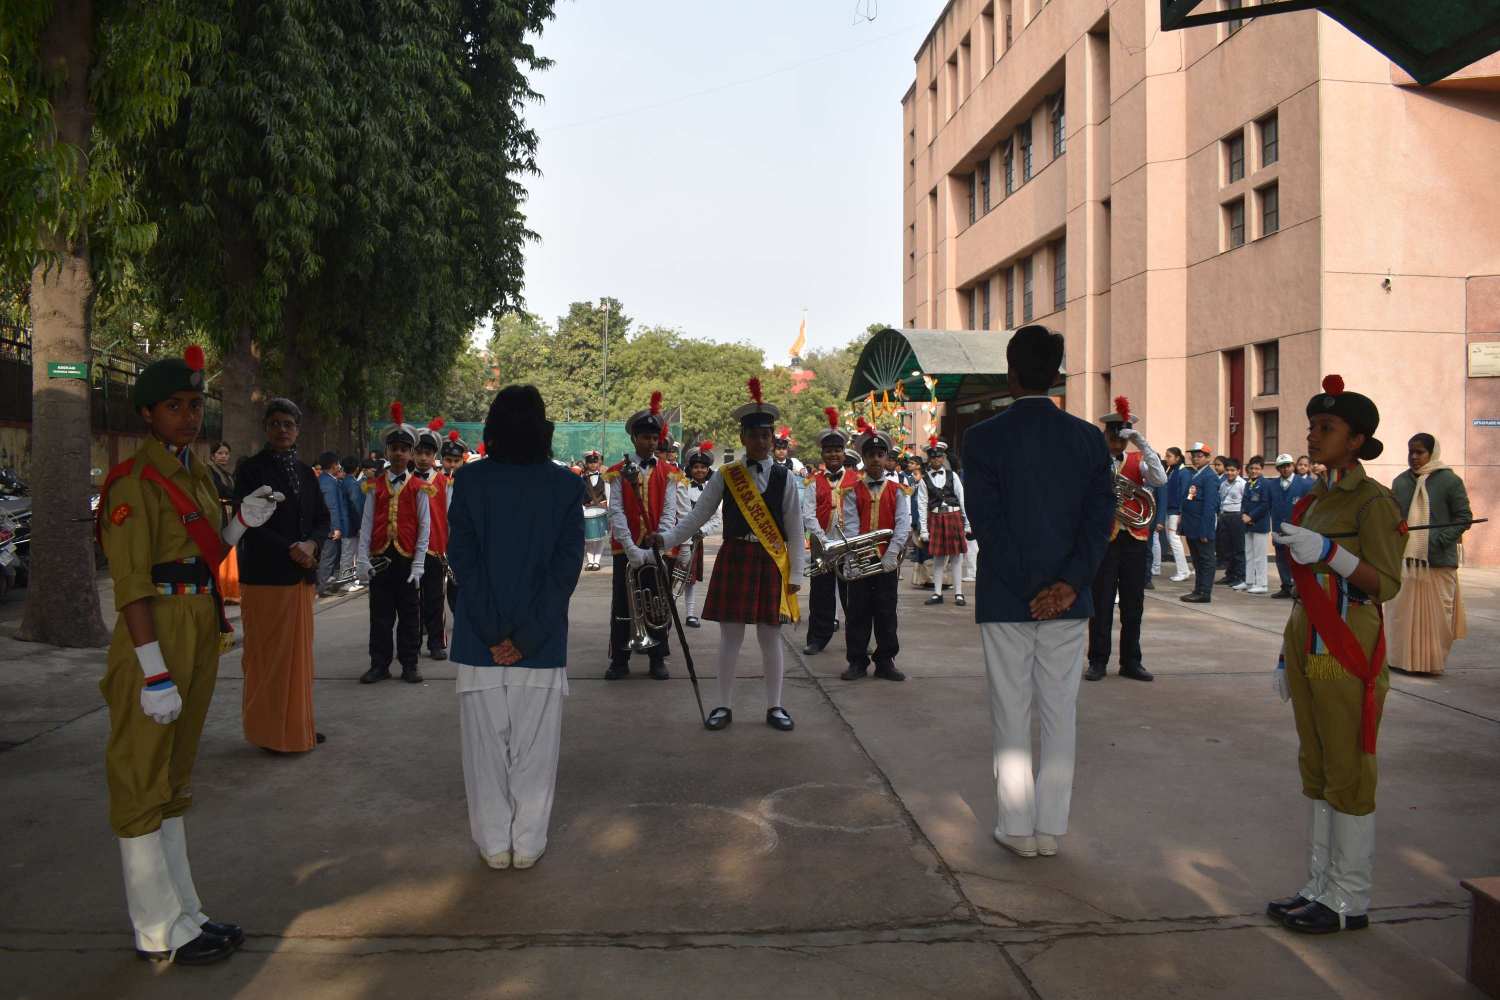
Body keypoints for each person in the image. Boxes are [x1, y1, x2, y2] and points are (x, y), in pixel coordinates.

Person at [98, 345, 280, 964]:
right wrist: (152, 673)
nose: (187, 416)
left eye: (194, 404)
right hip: (156, 637)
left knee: (173, 781)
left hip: (198, 626)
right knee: (140, 778)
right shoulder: (132, 481)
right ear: (147, 413)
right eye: (174, 406)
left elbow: (200, 556)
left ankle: (184, 912)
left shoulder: (196, 473)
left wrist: (239, 527)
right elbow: (132, 584)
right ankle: (155, 927)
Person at [964, 325, 1114, 859]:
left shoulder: (981, 439)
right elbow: (1100, 524)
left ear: (1011, 372)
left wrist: (1034, 588)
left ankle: (1017, 826)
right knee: (1060, 710)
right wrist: (1067, 586)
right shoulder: (1090, 439)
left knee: (1011, 710)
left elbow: (989, 524)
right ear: (1057, 374)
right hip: (1070, 603)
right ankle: (1050, 827)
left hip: (1008, 596)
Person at [1266, 374, 1405, 935]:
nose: (1314, 433)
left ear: (1357, 440)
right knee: (1317, 762)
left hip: (1347, 640)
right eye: (1313, 425)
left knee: (1349, 764)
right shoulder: (1315, 496)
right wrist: (1285, 654)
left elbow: (1387, 582)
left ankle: (1349, 897)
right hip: (1308, 637)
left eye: (1327, 427)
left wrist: (1330, 552)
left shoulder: (1374, 501)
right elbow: (1305, 586)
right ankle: (1319, 886)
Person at [447, 385, 585, 871]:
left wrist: (491, 633)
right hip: (541, 647)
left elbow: (463, 560)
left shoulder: (469, 482)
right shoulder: (567, 486)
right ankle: (527, 844)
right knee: (534, 752)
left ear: (491, 429)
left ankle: (493, 844)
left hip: (478, 643)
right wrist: (525, 638)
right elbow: (564, 572)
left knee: (485, 754)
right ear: (543, 429)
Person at [647, 379, 803, 731]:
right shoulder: (727, 476)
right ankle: (723, 705)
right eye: (754, 435)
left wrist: (796, 576)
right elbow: (698, 514)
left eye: (766, 435)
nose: (761, 442)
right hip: (736, 556)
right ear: (744, 438)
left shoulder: (786, 478)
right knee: (730, 637)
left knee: (770, 636)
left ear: (772, 438)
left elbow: (795, 530)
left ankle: (775, 706)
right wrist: (667, 537)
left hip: (770, 560)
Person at [234, 399, 327, 753]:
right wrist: (293, 548)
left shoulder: (306, 473)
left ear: (297, 429)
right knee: (267, 659)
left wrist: (313, 545)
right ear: (265, 428)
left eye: (288, 423)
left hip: (301, 577)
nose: (282, 429)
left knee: (299, 659)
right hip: (266, 577)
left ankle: (298, 725)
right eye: (274, 423)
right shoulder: (251, 471)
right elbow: (248, 523)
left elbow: (322, 518)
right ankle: (270, 732)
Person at [1085, 397, 1167, 682]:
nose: (1118, 443)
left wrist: (1142, 444)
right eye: (1114, 436)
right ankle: (1098, 660)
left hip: (1135, 538)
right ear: (1106, 435)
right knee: (1101, 603)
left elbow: (1160, 479)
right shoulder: (1094, 461)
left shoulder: (1138, 460)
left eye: (1123, 437)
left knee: (1134, 604)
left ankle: (1131, 661)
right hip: (1104, 540)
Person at [604, 392, 682, 681]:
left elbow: (669, 510)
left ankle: (657, 657)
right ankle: (619, 659)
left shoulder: (670, 473)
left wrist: (658, 541)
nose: (650, 442)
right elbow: (616, 512)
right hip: (626, 549)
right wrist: (631, 548)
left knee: (659, 604)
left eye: (654, 438)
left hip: (657, 549)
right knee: (622, 606)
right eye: (644, 437)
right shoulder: (616, 472)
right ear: (633, 438)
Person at [356, 403, 433, 684]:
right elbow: (365, 524)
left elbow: (425, 526)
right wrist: (362, 559)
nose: (399, 452)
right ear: (387, 452)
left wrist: (420, 562)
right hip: (380, 558)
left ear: (411, 453)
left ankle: (410, 664)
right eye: (394, 447)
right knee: (380, 615)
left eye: (404, 448)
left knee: (410, 615)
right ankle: (379, 664)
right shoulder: (374, 485)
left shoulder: (420, 487)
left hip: (407, 558)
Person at [1386, 434, 1472, 676]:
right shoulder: (1401, 482)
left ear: (1432, 453)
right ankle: (1398, 661)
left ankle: (1430, 665)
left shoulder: (1449, 481)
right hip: (1405, 562)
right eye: (1410, 451)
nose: (1414, 457)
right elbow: (1392, 517)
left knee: (1436, 620)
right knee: (1400, 616)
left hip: (1437, 562)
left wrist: (1436, 540)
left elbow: (1464, 517)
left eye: (1420, 452)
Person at [838, 427, 912, 681]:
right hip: (861, 558)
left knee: (886, 611)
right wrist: (852, 558)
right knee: (857, 611)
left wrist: (892, 554)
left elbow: (903, 525)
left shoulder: (899, 490)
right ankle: (857, 661)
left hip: (888, 559)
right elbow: (849, 527)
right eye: (870, 455)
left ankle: (886, 661)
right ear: (863, 458)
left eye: (880, 454)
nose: (876, 460)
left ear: (886, 458)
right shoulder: (851, 491)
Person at [801, 407, 858, 656]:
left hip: (849, 545)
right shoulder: (812, 481)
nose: (833, 454)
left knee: (854, 597)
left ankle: (858, 639)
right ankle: (817, 638)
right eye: (829, 451)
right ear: (822, 454)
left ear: (843, 453)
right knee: (821, 595)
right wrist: (823, 542)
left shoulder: (857, 479)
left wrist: (851, 543)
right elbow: (808, 514)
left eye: (837, 450)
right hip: (822, 546)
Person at [411, 419, 452, 661]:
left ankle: (437, 642)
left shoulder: (444, 482)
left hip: (435, 548)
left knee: (435, 598)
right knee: (410, 600)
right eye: (419, 453)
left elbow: (449, 516)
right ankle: (411, 642)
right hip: (408, 548)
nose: (423, 458)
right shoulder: (405, 479)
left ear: (434, 455)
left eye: (427, 453)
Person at [916, 437, 972, 607]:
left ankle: (959, 593)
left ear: (943, 458)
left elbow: (962, 498)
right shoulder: (924, 480)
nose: (936, 459)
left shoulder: (952, 475)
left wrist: (967, 523)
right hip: (936, 518)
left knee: (956, 558)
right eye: (933, 457)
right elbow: (922, 505)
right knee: (938, 558)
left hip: (954, 517)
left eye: (939, 456)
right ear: (929, 459)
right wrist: (924, 530)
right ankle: (937, 593)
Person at [676, 441, 721, 627]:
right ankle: (667, 611)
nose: (700, 470)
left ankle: (691, 614)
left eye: (703, 467)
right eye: (696, 467)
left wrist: (702, 532)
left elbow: (717, 518)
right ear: (690, 468)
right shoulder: (682, 485)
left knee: (690, 580)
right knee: (672, 576)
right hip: (677, 537)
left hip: (696, 539)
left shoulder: (713, 488)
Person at [1178, 442, 1220, 603]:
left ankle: (1204, 592)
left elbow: (1210, 506)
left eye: (1199, 456)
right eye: (1193, 455)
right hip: (1192, 525)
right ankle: (1198, 589)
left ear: (1208, 458)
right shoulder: (1196, 474)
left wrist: (1205, 531)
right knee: (1197, 559)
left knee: (1206, 559)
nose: (1195, 458)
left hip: (1202, 526)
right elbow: (1190, 498)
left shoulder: (1209, 477)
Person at [1268, 453, 1313, 598]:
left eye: (1287, 466)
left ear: (1293, 466)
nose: (1285, 469)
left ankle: (1299, 587)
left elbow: (1310, 507)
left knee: (1297, 558)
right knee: (1281, 558)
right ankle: (1286, 586)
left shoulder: (1306, 484)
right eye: (1281, 467)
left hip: (1297, 528)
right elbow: (1268, 505)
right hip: (1279, 527)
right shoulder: (1272, 485)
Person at [207, 441, 242, 607]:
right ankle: (218, 589)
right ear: (213, 456)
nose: (223, 456)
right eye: (220, 453)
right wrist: (235, 496)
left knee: (230, 551)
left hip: (228, 513)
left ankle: (229, 592)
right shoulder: (209, 471)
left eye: (226, 453)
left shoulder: (227, 474)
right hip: (217, 514)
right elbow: (220, 490)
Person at [315, 451, 346, 596]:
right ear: (334, 465)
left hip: (326, 526)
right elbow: (331, 506)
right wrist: (336, 528)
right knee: (328, 557)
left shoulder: (324, 480)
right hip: (330, 527)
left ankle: (328, 584)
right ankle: (323, 587)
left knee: (330, 556)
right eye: (338, 464)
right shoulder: (329, 483)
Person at [1241, 456, 1272, 594]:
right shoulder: (1248, 484)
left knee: (1260, 555)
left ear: (1262, 469)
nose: (1254, 471)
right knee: (1249, 554)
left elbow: (1265, 504)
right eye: (1252, 468)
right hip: (1247, 524)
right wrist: (1243, 515)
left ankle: (1262, 583)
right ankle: (1249, 581)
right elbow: (1244, 502)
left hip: (1260, 524)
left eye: (1257, 468)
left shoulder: (1265, 484)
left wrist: (1251, 517)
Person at [1164, 447, 1194, 583]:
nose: (1166, 458)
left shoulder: (1184, 473)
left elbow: (1186, 494)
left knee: (1175, 541)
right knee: (1172, 540)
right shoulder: (1171, 471)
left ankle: (1183, 571)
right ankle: (1184, 569)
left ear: (1177, 458)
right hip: (1169, 510)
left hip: (1176, 511)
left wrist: (1182, 512)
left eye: (1169, 456)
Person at [1218, 458, 1247, 588]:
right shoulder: (1223, 484)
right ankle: (1229, 575)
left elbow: (1245, 502)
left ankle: (1240, 576)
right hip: (1224, 516)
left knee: (1238, 549)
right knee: (1226, 548)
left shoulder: (1242, 484)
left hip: (1236, 517)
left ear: (1238, 471)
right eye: (1228, 470)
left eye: (1232, 470)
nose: (1230, 473)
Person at [579, 450, 610, 571]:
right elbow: (580, 494)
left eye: (595, 462)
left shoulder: (604, 477)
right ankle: (590, 561)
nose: (593, 465)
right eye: (590, 462)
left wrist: (608, 508)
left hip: (601, 508)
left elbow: (608, 493)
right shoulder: (582, 478)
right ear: (586, 463)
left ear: (599, 463)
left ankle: (597, 561)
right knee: (589, 538)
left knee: (600, 537)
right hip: (586, 509)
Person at [338, 454, 364, 590]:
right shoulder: (353, 484)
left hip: (346, 522)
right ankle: (345, 582)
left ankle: (347, 580)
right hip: (351, 524)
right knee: (349, 554)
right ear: (357, 468)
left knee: (348, 553)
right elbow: (356, 505)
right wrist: (360, 524)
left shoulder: (343, 482)